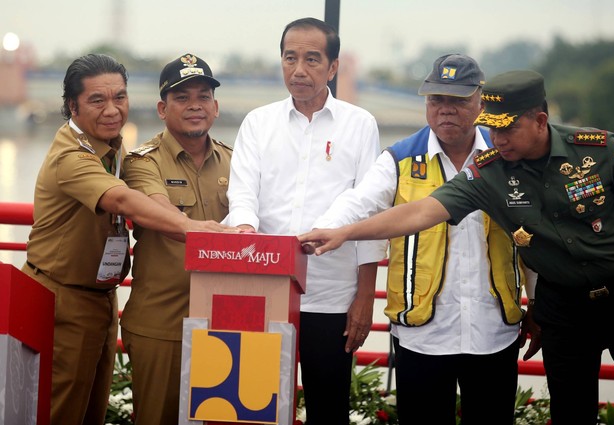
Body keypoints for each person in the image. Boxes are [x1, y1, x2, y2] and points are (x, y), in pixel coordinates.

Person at [299, 69, 614, 425]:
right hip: (561, 310)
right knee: (572, 413)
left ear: (540, 121)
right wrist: (342, 232)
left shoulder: (599, 151)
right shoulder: (487, 171)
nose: (497, 138)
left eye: (507, 128)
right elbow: (419, 212)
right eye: (492, 128)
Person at [309, 54, 539, 424]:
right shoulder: (400, 159)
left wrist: (539, 305)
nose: (445, 110)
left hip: (494, 331)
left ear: (481, 101)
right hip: (423, 336)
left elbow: (531, 239)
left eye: (457, 100)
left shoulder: (506, 159)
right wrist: (327, 230)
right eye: (436, 100)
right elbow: (360, 202)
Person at [20, 53, 232, 425]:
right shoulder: (71, 155)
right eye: (97, 100)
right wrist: (195, 229)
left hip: (101, 298)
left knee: (91, 413)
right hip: (61, 297)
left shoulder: (113, 148)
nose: (112, 109)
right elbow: (120, 198)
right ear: (73, 106)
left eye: (119, 97)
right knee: (60, 412)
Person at [224, 17, 387, 425]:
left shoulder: (359, 125)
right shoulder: (258, 124)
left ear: (333, 68)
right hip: (263, 290)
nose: (299, 70)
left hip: (331, 295)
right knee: (252, 407)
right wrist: (244, 228)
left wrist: (365, 296)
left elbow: (370, 213)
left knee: (328, 408)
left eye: (312, 60)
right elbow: (242, 194)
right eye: (290, 58)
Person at [120, 53, 232, 425]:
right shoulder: (142, 161)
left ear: (215, 107)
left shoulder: (239, 162)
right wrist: (213, 234)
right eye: (182, 98)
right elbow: (158, 209)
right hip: (162, 324)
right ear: (162, 108)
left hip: (226, 322)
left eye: (203, 96)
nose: (195, 106)